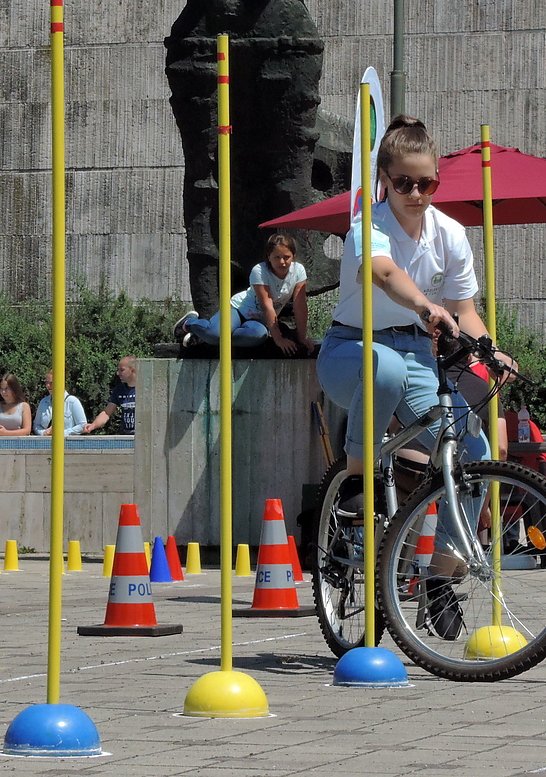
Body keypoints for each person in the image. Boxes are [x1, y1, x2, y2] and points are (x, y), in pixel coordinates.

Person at [316, 114, 510, 639]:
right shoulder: (368, 226)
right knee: (385, 367)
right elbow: (384, 274)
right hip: (351, 348)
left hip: (418, 355)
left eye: (427, 183)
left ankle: (441, 578)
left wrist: (492, 351)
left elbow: (465, 311)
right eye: (404, 183)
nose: (416, 194)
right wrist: (425, 307)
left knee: (473, 449)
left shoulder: (451, 233)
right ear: (384, 179)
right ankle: (357, 483)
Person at [173, 233, 315, 357]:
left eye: (286, 257)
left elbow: (300, 305)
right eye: (277, 257)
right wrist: (278, 339)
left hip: (258, 321)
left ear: (293, 256)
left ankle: (210, 337)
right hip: (238, 310)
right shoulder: (260, 271)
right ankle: (188, 323)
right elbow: (267, 306)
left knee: (259, 336)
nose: (282, 262)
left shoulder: (298, 271)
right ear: (269, 257)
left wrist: (302, 338)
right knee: (216, 334)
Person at [83, 356, 137, 436]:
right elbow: (107, 413)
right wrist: (93, 425)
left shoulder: (147, 388)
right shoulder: (119, 389)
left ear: (133, 370)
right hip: (125, 436)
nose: (118, 373)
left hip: (144, 437)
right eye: (118, 370)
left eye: (122, 370)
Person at [33, 370, 87, 436]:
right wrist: (44, 432)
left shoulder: (72, 401)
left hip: (68, 440)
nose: (48, 385)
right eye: (46, 383)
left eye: (51, 383)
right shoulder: (43, 402)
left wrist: (63, 433)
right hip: (47, 440)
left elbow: (82, 425)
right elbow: (36, 425)